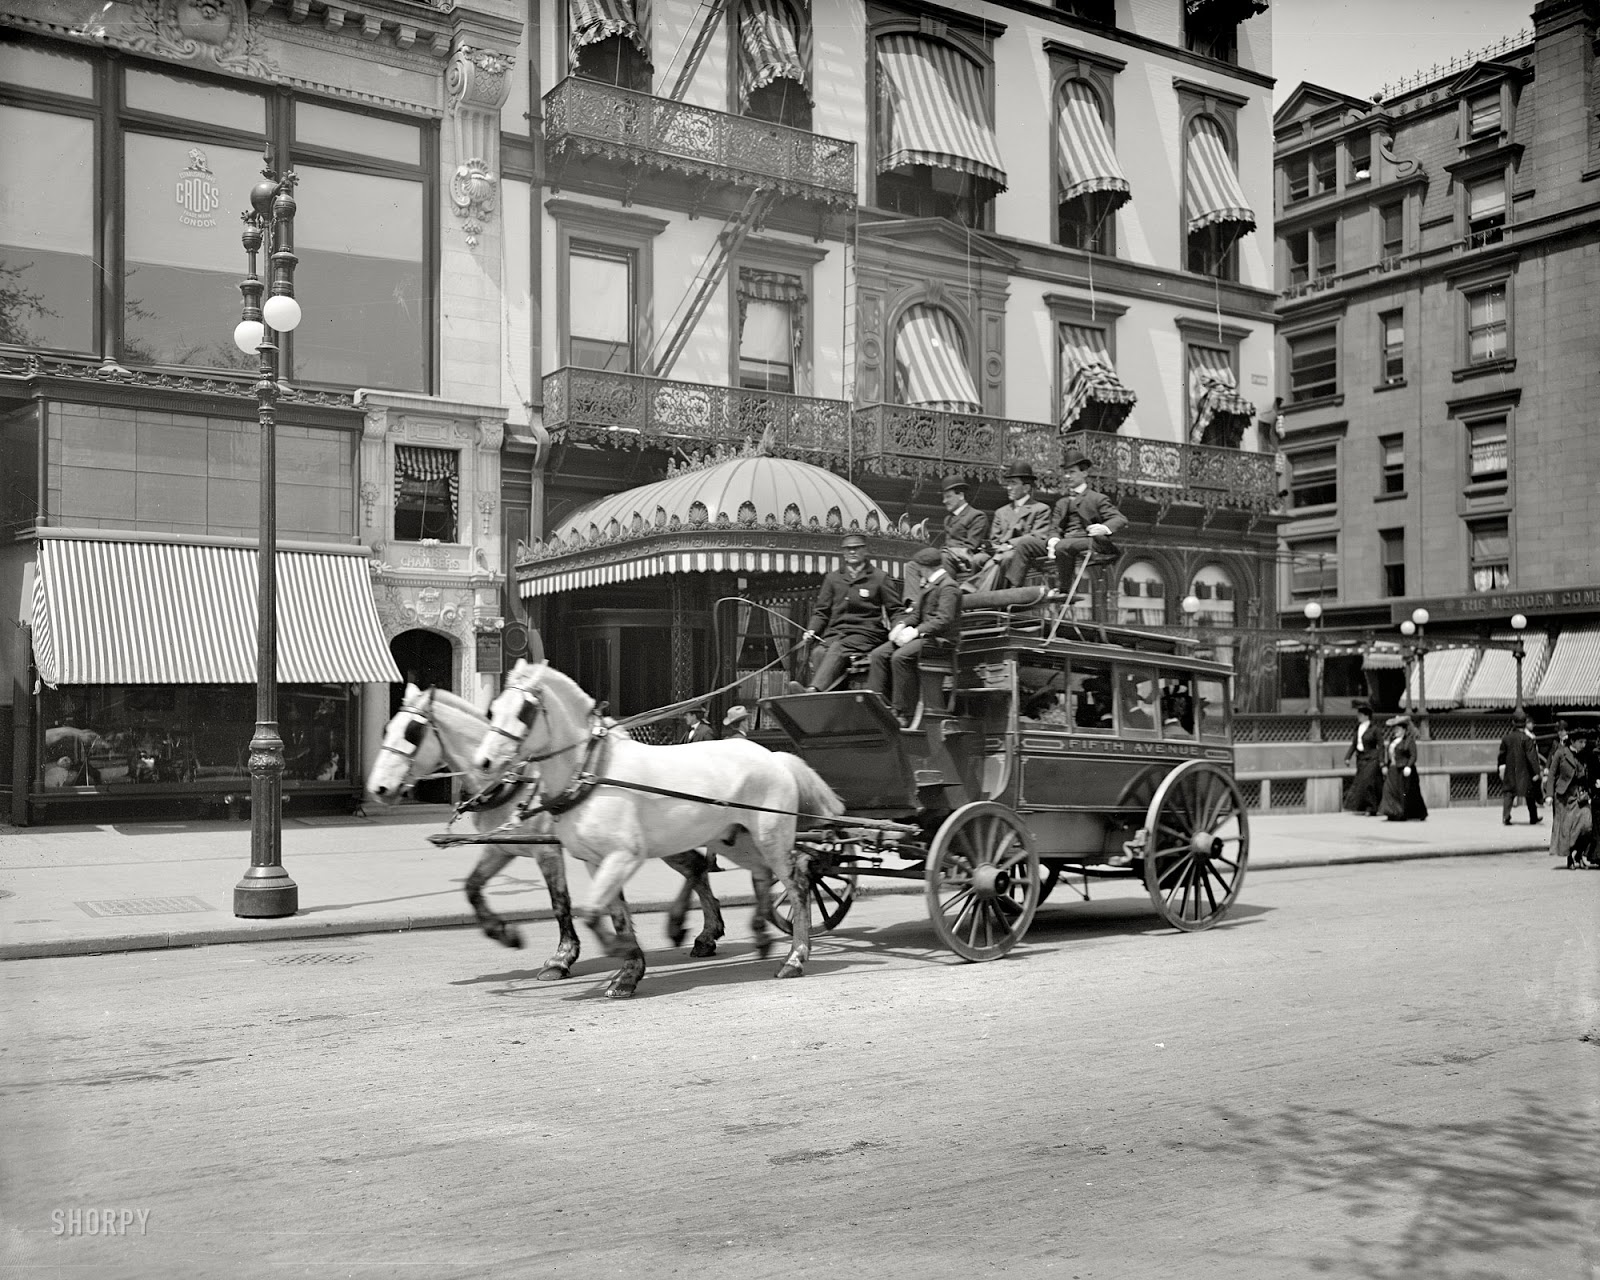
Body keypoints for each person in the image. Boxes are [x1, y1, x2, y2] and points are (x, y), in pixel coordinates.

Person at [798, 532, 901, 692]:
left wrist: (899, 629)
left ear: (865, 550)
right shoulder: (833, 578)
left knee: (838, 648)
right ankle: (833, 699)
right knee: (818, 652)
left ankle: (814, 690)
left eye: (856, 548)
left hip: (866, 634)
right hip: (836, 634)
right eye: (848, 549)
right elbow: (821, 611)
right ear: (843, 552)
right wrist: (812, 630)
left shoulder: (879, 578)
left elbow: (895, 610)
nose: (852, 552)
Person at [869, 546, 960, 728]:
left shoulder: (949, 587)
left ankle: (902, 712)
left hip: (941, 642)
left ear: (926, 568)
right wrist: (902, 625)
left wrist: (916, 632)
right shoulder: (931, 585)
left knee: (900, 657)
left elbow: (944, 620)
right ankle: (875, 705)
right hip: (925, 637)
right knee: (878, 654)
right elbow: (917, 615)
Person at [1048, 448, 1126, 597]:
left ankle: (1064, 590)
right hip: (1065, 541)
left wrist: (1104, 528)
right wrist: (1052, 539)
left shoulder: (1096, 498)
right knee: (1032, 544)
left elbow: (1120, 519)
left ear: (1084, 473)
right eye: (1066, 472)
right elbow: (1055, 528)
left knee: (1063, 546)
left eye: (1072, 472)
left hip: (1089, 540)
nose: (1067, 476)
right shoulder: (1061, 502)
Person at [988, 461, 1056, 589]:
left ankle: (1001, 598)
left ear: (1026, 488)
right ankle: (974, 595)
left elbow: (1038, 537)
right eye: (1008, 483)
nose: (1009, 487)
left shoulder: (1040, 509)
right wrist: (998, 548)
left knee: (1007, 559)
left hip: (1022, 556)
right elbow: (994, 539)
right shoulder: (1001, 512)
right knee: (978, 559)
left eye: (1013, 483)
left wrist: (1010, 544)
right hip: (999, 552)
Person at [1547, 725, 1594, 869]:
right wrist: (1549, 795)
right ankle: (1570, 858)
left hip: (1580, 796)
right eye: (1580, 742)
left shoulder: (1584, 755)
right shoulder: (1561, 753)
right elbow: (1551, 775)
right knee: (1566, 829)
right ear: (1572, 741)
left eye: (1584, 742)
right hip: (1563, 797)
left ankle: (1579, 853)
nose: (1583, 745)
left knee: (1587, 825)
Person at [937, 475, 991, 584]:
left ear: (961, 495)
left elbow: (971, 546)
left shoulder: (977, 516)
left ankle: (948, 593)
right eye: (944, 497)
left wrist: (947, 551)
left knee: (943, 557)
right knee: (914, 563)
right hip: (949, 557)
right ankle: (912, 600)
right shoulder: (948, 519)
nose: (944, 501)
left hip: (966, 560)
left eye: (948, 497)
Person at [1497, 709, 1544, 825]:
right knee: (1530, 795)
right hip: (1525, 773)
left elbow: (1501, 756)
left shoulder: (1506, 738)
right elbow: (1532, 757)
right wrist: (1537, 772)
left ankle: (1506, 816)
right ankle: (1533, 817)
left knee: (1509, 794)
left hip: (1511, 772)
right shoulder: (1527, 739)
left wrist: (1501, 768)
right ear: (1524, 723)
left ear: (1513, 723)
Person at [1378, 714, 1428, 822]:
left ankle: (1403, 813)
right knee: (1388, 791)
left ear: (1404, 730)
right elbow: (1390, 755)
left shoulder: (1409, 741)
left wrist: (1408, 766)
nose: (1395, 730)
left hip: (1403, 770)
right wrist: (1386, 765)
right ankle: (1391, 812)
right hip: (1393, 770)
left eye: (1398, 728)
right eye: (1395, 728)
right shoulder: (1392, 740)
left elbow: (1413, 755)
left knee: (1405, 793)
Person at [1343, 702, 1384, 815]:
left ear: (1366, 716)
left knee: (1368, 782)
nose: (1358, 717)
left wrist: (1381, 760)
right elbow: (1354, 744)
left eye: (1360, 715)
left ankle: (1372, 808)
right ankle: (1364, 806)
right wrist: (1347, 757)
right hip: (1361, 758)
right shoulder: (1358, 728)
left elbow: (1381, 745)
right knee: (1361, 784)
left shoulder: (1374, 729)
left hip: (1372, 758)